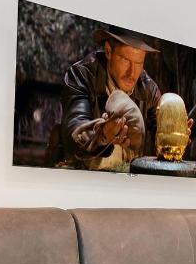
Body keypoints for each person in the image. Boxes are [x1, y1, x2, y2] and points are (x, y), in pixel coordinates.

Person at [51, 26, 162, 170]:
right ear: (109, 51)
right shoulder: (81, 75)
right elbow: (74, 129)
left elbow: (159, 129)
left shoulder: (148, 88)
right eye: (125, 59)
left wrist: (171, 133)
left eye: (139, 63)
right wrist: (102, 135)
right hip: (82, 173)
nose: (132, 73)